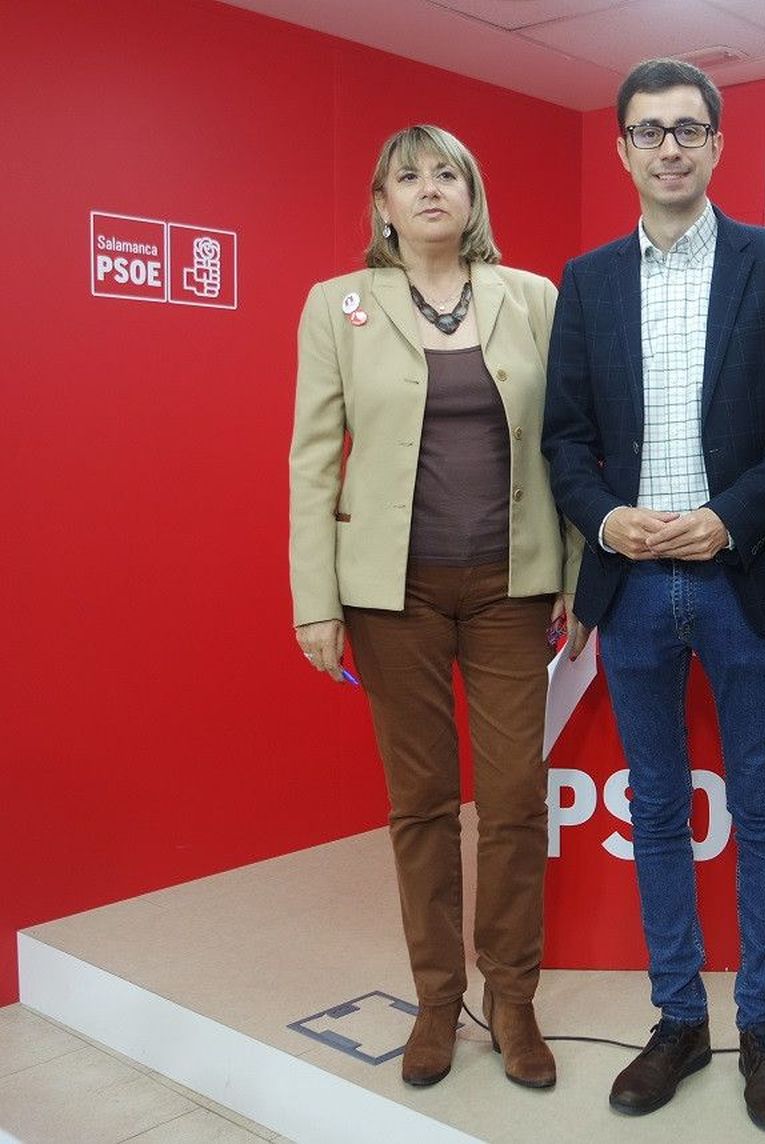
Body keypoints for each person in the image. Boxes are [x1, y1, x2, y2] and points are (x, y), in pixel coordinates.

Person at [541, 58, 765, 1133]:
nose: (667, 148)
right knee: (656, 808)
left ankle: (762, 1029)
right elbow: (564, 437)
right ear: (621, 148)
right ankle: (678, 1021)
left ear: (716, 146)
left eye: (687, 130)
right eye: (648, 131)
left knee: (756, 807)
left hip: (742, 577)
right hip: (635, 588)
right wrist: (607, 519)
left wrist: (729, 514)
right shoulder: (588, 279)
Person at [289, 124, 578, 1091]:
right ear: (380, 204)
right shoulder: (339, 306)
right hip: (391, 595)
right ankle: (433, 997)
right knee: (419, 805)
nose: (428, 189)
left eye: (445, 172)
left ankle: (513, 999)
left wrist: (578, 574)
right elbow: (312, 460)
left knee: (513, 802)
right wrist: (313, 599)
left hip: (511, 587)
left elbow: (574, 442)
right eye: (406, 177)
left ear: (472, 193)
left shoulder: (531, 297)